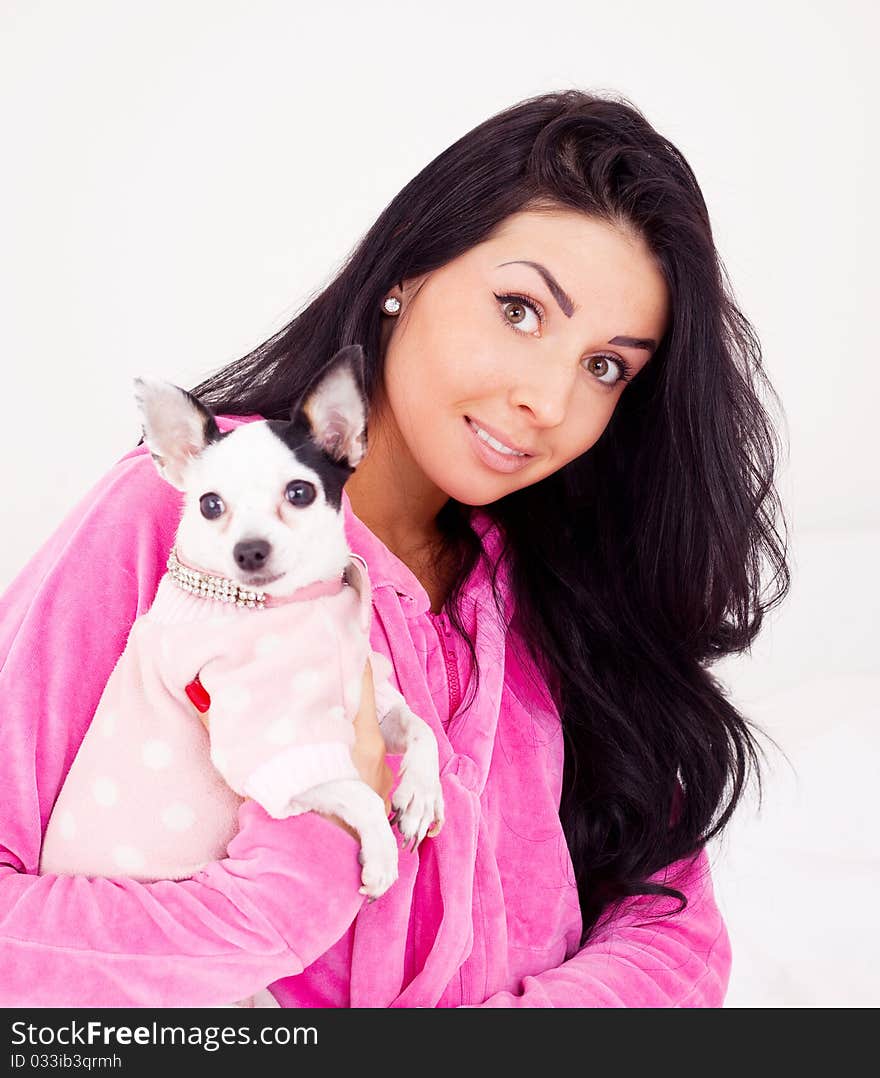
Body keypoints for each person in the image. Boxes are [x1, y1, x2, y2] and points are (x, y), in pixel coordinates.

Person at [0, 89, 789, 1007]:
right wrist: (297, 889)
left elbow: (674, 932)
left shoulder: (567, 590)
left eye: (605, 366)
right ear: (406, 274)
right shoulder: (187, 520)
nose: (550, 400)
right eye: (521, 310)